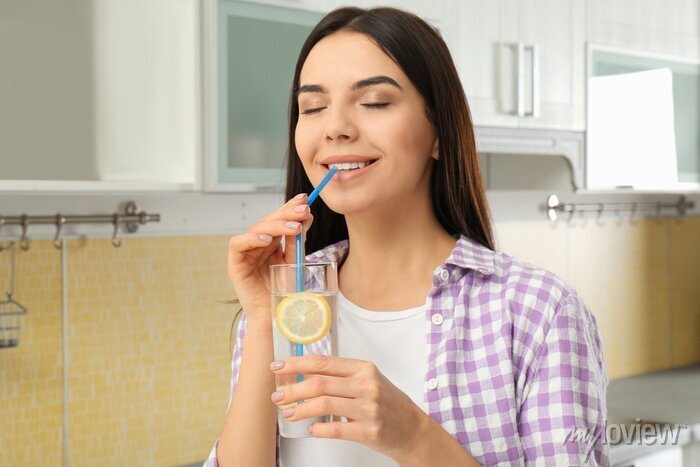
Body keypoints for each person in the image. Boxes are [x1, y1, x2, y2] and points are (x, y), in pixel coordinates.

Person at [206, 6, 608, 467]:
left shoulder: (539, 313)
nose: (335, 127)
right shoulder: (285, 311)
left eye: (375, 101)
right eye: (313, 107)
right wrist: (261, 320)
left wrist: (414, 436)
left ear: (438, 131)